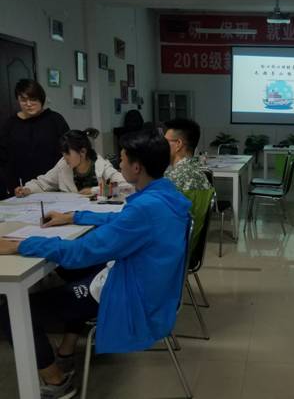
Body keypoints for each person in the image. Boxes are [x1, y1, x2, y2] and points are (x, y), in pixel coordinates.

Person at [0, 130, 191, 399]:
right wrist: (74, 217)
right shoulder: (164, 195)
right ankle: (67, 348)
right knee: (68, 270)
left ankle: (56, 381)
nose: (119, 164)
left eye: (122, 159)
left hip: (132, 295)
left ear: (137, 167)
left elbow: (82, 251)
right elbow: (121, 222)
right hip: (149, 283)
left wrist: (20, 245)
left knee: (11, 311)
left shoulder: (145, 208)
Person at [0, 79, 69, 199]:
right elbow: (4, 158)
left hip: (54, 185)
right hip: (21, 189)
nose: (28, 104)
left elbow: (68, 152)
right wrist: (12, 185)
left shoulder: (55, 120)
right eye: (23, 100)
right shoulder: (10, 124)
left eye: (33, 99)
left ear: (41, 99)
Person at [14, 129, 130, 197]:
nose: (64, 158)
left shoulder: (101, 165)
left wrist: (94, 190)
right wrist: (27, 189)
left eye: (67, 154)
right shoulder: (63, 165)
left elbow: (127, 186)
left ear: (82, 152)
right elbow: (43, 183)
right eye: (63, 154)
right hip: (70, 214)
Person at [164, 119, 212, 251]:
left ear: (178, 144)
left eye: (165, 142)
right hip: (186, 247)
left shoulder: (174, 178)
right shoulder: (197, 172)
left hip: (171, 249)